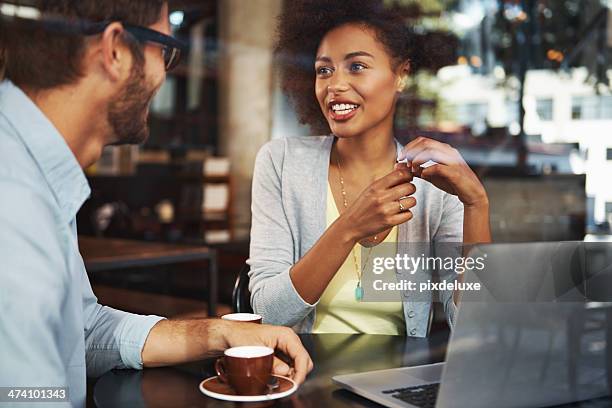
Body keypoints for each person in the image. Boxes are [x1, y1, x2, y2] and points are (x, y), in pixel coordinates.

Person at [0, 1, 312, 406]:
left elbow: (81, 331)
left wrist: (218, 333)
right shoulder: (14, 205)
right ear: (114, 50)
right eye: (164, 50)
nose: (164, 74)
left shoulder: (36, 172)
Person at [248, 0, 491, 337]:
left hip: (395, 380)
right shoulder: (281, 161)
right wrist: (349, 227)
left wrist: (476, 204)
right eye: (324, 70)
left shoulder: (434, 183)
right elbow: (269, 313)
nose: (335, 85)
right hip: (304, 376)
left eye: (357, 66)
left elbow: (472, 326)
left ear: (401, 75)